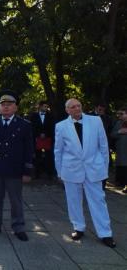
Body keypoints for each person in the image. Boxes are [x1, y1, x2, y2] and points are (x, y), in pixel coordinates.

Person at [54, 98, 116, 248]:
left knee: (98, 201)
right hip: (71, 169)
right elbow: (58, 150)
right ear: (67, 110)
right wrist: (60, 172)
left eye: (79, 106)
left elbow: (103, 145)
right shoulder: (61, 126)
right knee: (73, 200)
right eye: (73, 107)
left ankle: (105, 233)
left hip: (94, 168)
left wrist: (104, 167)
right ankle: (78, 227)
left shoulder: (95, 121)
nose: (77, 109)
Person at [0, 90, 33, 242]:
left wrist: (27, 171)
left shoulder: (24, 125)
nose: (5, 107)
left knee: (15, 200)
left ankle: (18, 227)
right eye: (3, 104)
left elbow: (29, 150)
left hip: (15, 170)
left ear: (16, 107)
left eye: (9, 105)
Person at [29, 100, 56, 179]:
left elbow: (52, 127)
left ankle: (50, 174)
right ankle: (37, 174)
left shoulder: (50, 115)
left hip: (48, 139)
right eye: (44, 106)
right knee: (37, 156)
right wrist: (39, 134)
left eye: (47, 107)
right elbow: (32, 127)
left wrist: (46, 134)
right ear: (40, 106)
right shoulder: (34, 116)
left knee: (49, 156)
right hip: (37, 139)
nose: (46, 108)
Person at [111, 107, 127, 193]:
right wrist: (119, 132)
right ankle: (123, 183)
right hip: (121, 151)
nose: (120, 116)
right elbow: (112, 135)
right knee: (123, 169)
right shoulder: (118, 123)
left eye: (122, 114)